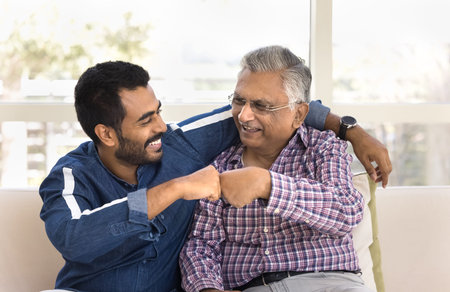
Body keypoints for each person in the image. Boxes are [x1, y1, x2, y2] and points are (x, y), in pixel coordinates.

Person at [39, 60, 388, 292]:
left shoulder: (179, 144)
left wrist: (352, 132)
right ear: (107, 134)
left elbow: (279, 105)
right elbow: (73, 237)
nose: (162, 126)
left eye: (158, 112)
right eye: (146, 121)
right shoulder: (70, 176)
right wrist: (174, 189)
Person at [179, 46, 373, 292]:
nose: (244, 116)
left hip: (329, 283)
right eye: (240, 101)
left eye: (261, 106)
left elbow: (345, 211)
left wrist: (267, 184)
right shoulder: (220, 166)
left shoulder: (322, 148)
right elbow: (201, 245)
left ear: (299, 114)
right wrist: (208, 289)